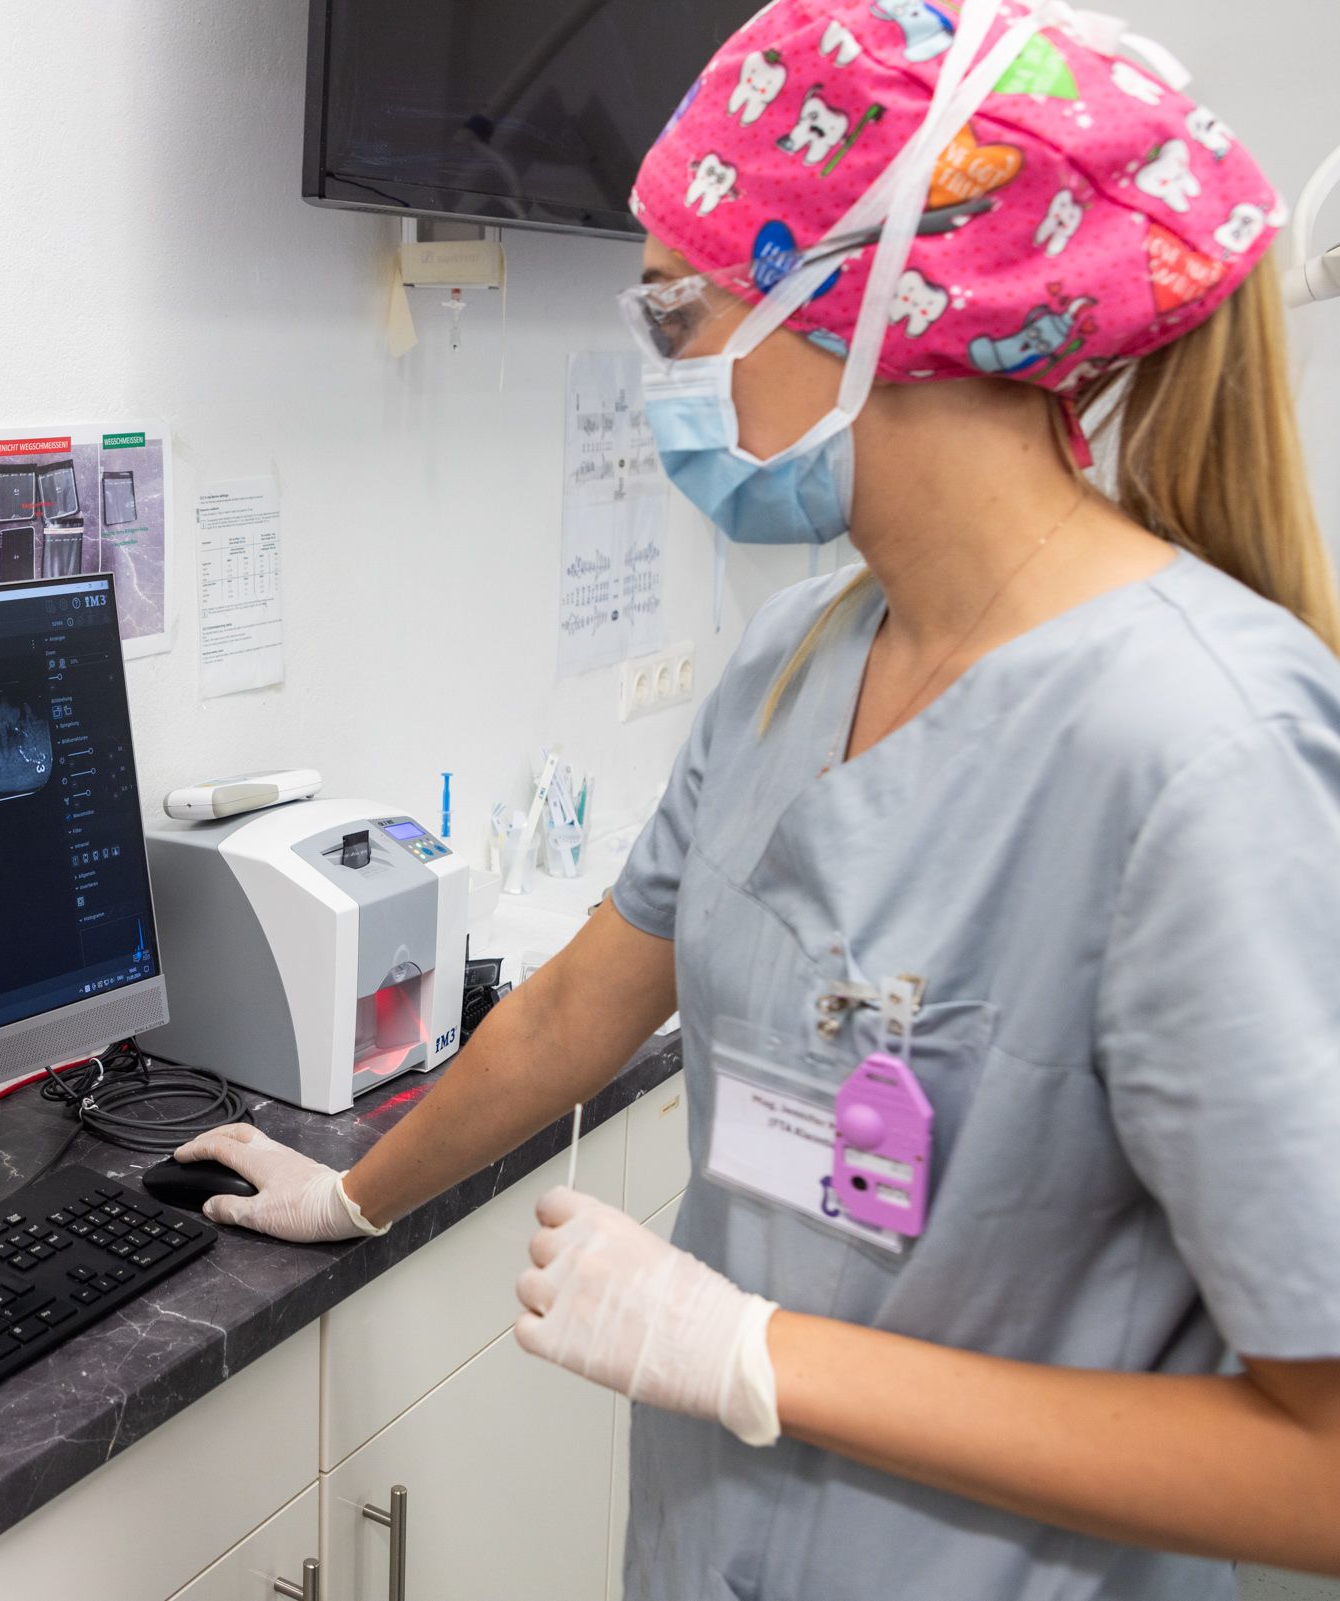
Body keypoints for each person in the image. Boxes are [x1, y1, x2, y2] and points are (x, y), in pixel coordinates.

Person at [173, 1, 1340, 1594]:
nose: (666, 378)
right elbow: (598, 987)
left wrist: (753, 1350)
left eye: (679, 319)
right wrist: (353, 1196)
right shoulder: (804, 652)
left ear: (866, 313)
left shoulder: (1201, 744)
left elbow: (1318, 1465)